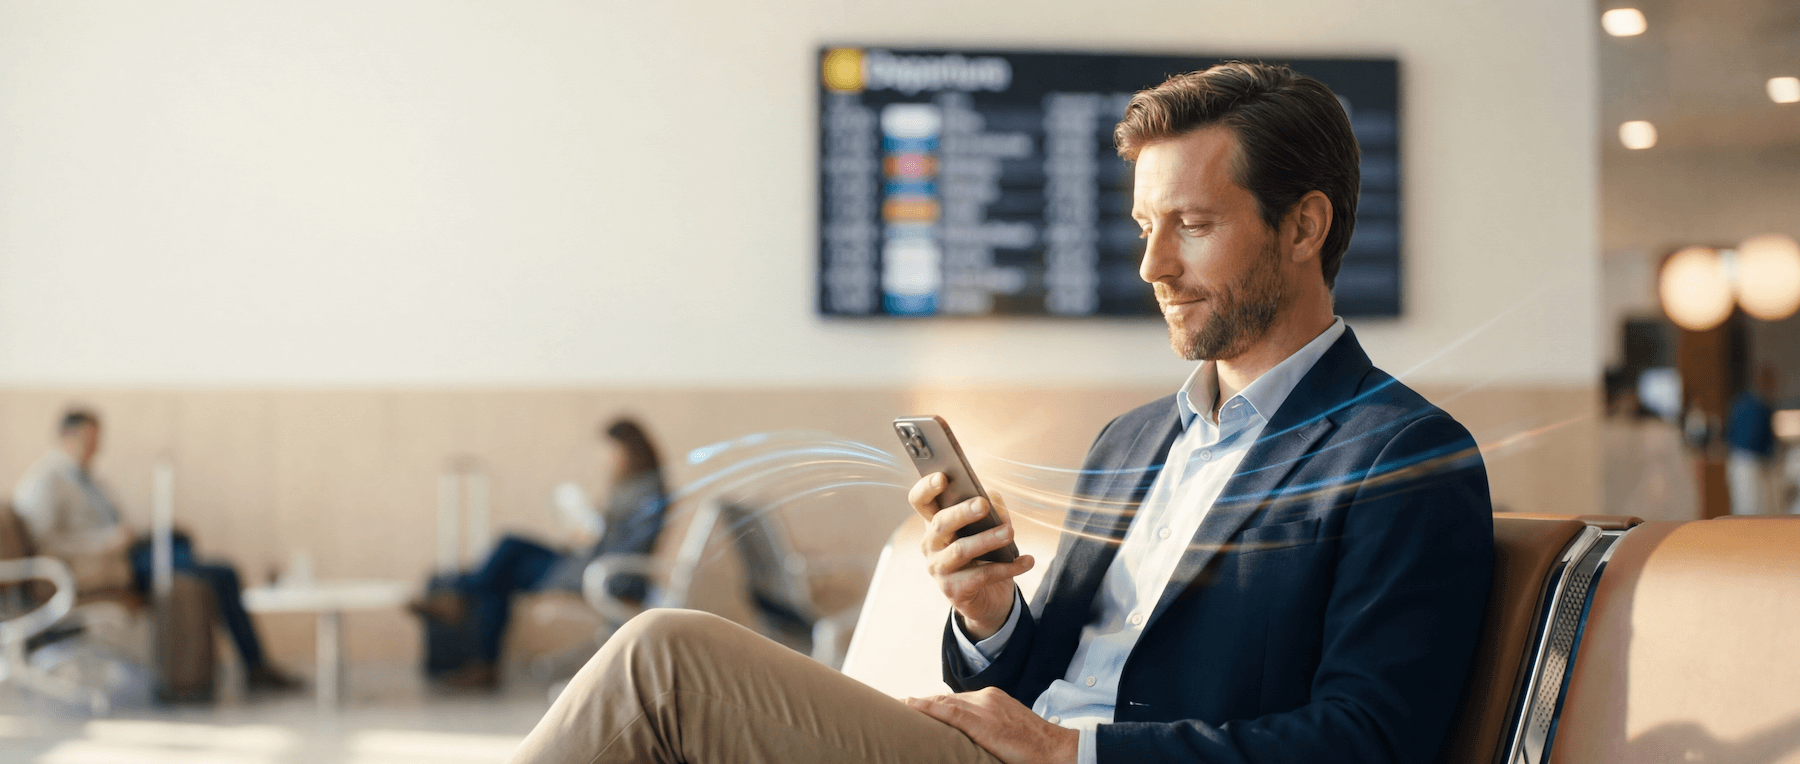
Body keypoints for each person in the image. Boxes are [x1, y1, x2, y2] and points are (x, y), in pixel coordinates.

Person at [507, 62, 1494, 764]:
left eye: (1191, 226)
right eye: (1147, 228)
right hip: (996, 747)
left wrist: (1077, 750)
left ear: (1305, 226)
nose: (1153, 268)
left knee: (660, 660)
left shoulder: (1403, 454)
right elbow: (1034, 672)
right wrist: (987, 613)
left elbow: (1368, 739)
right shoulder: (1140, 438)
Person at [11, 407, 301, 692]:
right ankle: (254, 666)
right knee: (222, 573)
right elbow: (43, 544)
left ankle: (248, 664)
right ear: (66, 436)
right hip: (100, 568)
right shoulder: (45, 481)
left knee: (186, 548)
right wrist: (106, 541)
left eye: (97, 440)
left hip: (124, 556)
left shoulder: (90, 479)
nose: (95, 448)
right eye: (88, 440)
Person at [410, 417, 668, 690]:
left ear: (629, 450)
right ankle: (475, 641)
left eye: (610, 451)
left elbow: (628, 546)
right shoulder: (631, 487)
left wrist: (596, 531)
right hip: (587, 561)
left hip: (604, 573)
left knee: (507, 560)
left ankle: (461, 600)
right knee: (510, 550)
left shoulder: (646, 490)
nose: (606, 458)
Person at [1725, 367, 1779, 515]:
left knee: (1756, 507)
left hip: (1746, 462)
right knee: (1748, 509)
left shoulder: (1751, 403)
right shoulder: (1751, 405)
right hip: (1746, 462)